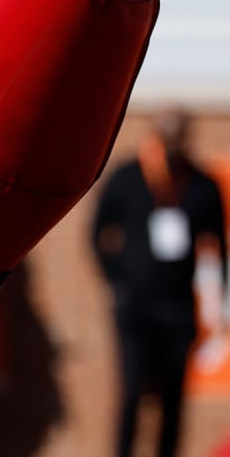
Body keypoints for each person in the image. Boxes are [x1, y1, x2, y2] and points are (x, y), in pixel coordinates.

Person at [91, 105, 229, 457]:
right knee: (133, 391)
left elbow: (218, 247)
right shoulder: (128, 177)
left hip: (178, 310)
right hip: (135, 309)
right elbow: (98, 232)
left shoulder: (201, 185)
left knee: (172, 399)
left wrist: (221, 303)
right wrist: (116, 280)